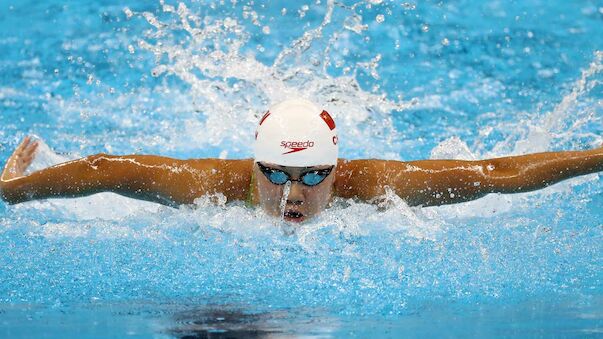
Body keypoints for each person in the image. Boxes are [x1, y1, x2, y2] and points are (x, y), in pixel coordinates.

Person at [1, 98, 601, 223]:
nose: (293, 195)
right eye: (276, 175)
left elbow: (495, 175)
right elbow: (109, 169)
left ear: (338, 170)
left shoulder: (376, 186)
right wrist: (8, 192)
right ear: (251, 166)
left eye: (314, 176)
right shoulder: (210, 185)